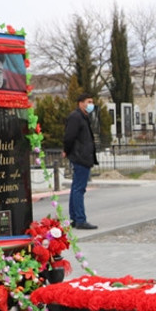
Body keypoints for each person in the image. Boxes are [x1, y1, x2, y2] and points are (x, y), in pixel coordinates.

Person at [63, 93, 98, 230]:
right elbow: (69, 136)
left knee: (76, 188)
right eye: (89, 101)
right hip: (80, 156)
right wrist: (67, 150)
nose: (91, 104)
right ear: (81, 103)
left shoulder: (83, 117)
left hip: (83, 156)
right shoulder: (76, 117)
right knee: (79, 189)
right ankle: (80, 219)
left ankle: (74, 218)